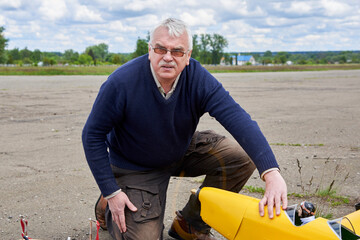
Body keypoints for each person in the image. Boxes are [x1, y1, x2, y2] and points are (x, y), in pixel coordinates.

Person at [82, 17, 287, 240]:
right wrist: (111, 190)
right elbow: (92, 134)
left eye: (177, 51)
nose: (168, 57)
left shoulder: (198, 78)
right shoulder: (121, 82)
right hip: (136, 166)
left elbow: (238, 119)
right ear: (149, 50)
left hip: (179, 148)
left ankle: (190, 224)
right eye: (160, 49)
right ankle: (109, 201)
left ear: (188, 56)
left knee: (240, 158)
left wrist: (271, 172)